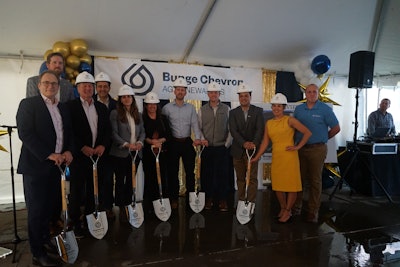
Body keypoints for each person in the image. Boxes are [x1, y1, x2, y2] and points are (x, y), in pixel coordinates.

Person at [17, 70, 74, 266]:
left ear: (58, 87)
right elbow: (25, 133)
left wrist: (69, 152)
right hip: (36, 167)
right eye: (46, 83)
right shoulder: (28, 105)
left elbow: (69, 133)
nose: (50, 86)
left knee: (49, 209)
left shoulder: (63, 108)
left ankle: (44, 241)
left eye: (54, 84)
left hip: (56, 168)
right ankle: (37, 253)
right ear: (39, 85)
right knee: (36, 210)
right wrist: (48, 154)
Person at [251, 93, 312, 223]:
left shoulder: (290, 120)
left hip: (290, 157)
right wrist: (257, 157)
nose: (276, 108)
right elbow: (265, 143)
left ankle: (288, 211)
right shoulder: (269, 123)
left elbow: (307, 132)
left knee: (291, 186)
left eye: (279, 106)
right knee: (278, 186)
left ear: (283, 107)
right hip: (277, 157)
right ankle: (283, 208)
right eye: (274, 106)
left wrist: (298, 147)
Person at [67, 71, 111, 237]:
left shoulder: (101, 107)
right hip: (79, 158)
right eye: (83, 86)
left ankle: (90, 219)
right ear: (77, 88)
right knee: (77, 191)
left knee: (95, 189)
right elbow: (69, 132)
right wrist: (81, 147)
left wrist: (103, 146)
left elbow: (107, 131)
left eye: (90, 86)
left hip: (98, 157)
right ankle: (75, 222)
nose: (87, 88)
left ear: (94, 88)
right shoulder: (70, 107)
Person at [293, 83, 340, 223]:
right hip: (301, 148)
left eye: (314, 92)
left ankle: (313, 210)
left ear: (318, 94)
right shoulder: (299, 109)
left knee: (315, 180)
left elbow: (336, 128)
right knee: (299, 180)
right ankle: (297, 206)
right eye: (309, 92)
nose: (312, 94)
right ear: (305, 94)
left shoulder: (325, 109)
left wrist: (324, 138)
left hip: (317, 150)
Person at [162, 77, 202, 209]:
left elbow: (195, 124)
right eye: (178, 89)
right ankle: (173, 199)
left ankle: (191, 198)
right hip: (173, 143)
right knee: (172, 172)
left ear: (185, 92)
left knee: (190, 172)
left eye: (182, 90)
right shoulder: (166, 108)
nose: (180, 92)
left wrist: (197, 138)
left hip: (187, 143)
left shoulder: (191, 108)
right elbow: (163, 127)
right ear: (174, 91)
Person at [109, 85, 145, 221]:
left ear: (132, 98)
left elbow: (142, 132)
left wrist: (140, 143)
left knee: (131, 181)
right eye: (124, 97)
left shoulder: (138, 114)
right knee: (120, 181)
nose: (127, 99)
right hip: (120, 153)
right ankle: (120, 207)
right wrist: (126, 144)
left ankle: (129, 204)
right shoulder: (115, 113)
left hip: (135, 154)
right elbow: (113, 133)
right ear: (120, 99)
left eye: (129, 96)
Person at [198, 82, 232, 211]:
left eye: (216, 92)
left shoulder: (226, 109)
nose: (213, 95)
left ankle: (223, 199)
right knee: (207, 174)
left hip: (222, 148)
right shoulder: (202, 110)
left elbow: (230, 129)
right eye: (211, 92)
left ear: (219, 94)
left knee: (222, 174)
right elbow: (198, 128)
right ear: (208, 94)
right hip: (207, 148)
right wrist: (202, 139)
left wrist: (226, 144)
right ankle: (209, 199)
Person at [229, 83, 264, 206]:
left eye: (246, 96)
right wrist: (244, 143)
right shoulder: (233, 113)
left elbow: (260, 129)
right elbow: (233, 131)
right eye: (241, 96)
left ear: (250, 97)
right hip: (238, 150)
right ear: (238, 97)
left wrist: (253, 144)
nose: (244, 98)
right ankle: (241, 201)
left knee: (252, 178)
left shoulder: (258, 111)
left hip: (253, 151)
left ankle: (251, 202)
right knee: (240, 178)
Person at [142, 92, 171, 213]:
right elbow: (141, 134)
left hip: (162, 152)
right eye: (149, 104)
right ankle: (149, 205)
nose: (152, 107)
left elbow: (168, 134)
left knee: (162, 176)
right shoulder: (142, 118)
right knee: (150, 178)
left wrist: (159, 141)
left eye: (154, 104)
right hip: (148, 154)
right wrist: (150, 141)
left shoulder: (163, 118)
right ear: (146, 105)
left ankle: (162, 203)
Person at [94, 72, 117, 219]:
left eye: (105, 86)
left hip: (110, 148)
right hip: (93, 148)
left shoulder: (116, 104)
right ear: (96, 87)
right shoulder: (89, 102)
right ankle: (94, 208)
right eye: (100, 86)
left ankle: (107, 207)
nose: (102, 89)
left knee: (108, 179)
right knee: (93, 180)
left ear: (109, 88)